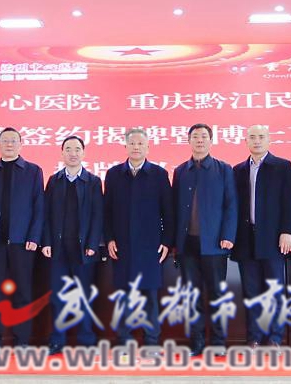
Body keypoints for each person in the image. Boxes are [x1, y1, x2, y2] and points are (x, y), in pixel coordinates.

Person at [0, 127, 45, 347]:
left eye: (13, 140)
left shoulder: (33, 171)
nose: (9, 144)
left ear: (21, 144)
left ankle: (22, 340)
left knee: (22, 292)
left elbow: (39, 206)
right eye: (5, 140)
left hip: (22, 242)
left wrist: (34, 236)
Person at [105, 128, 174, 347]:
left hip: (150, 245)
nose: (136, 147)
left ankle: (152, 340)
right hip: (122, 245)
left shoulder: (159, 174)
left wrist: (166, 242)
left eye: (140, 144)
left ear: (148, 147)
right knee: (124, 294)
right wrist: (109, 238)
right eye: (132, 143)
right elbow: (107, 211)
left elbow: (168, 212)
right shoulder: (114, 174)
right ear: (125, 146)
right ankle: (123, 339)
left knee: (150, 295)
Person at [172, 124, 237, 356]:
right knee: (192, 296)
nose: (199, 140)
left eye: (203, 136)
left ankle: (218, 341)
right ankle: (197, 342)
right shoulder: (181, 171)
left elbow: (231, 204)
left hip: (215, 244)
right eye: (195, 136)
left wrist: (228, 235)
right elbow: (174, 208)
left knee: (217, 294)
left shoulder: (223, 169)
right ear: (189, 141)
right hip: (187, 243)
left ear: (211, 141)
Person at [232, 125, 291, 349]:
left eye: (261, 137)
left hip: (273, 238)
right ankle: (255, 337)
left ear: (269, 140)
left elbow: (290, 202)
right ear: (246, 141)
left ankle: (275, 337)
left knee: (274, 290)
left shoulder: (282, 166)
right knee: (251, 292)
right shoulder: (238, 170)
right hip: (246, 238)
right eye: (252, 137)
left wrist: (287, 231)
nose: (256, 141)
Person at [42, 136, 105, 354]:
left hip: (84, 249)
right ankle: (57, 340)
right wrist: (46, 242)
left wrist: (93, 244)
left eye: (77, 149)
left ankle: (86, 340)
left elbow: (98, 215)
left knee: (84, 296)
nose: (73, 153)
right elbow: (46, 214)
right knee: (58, 296)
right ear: (62, 153)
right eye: (68, 149)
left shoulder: (93, 181)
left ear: (83, 153)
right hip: (58, 249)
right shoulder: (54, 181)